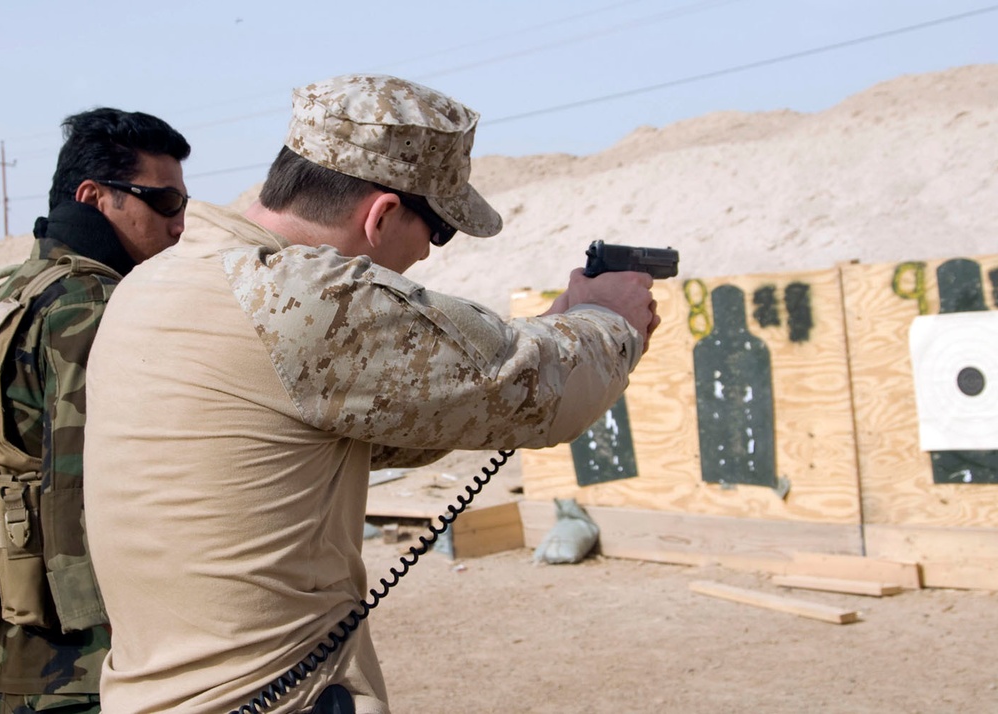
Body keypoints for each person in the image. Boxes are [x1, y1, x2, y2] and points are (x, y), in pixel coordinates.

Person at [82, 74, 660, 714]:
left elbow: (372, 419)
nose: (428, 257)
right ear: (382, 215)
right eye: (437, 232)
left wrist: (556, 328)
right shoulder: (302, 298)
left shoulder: (168, 280)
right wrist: (611, 320)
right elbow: (540, 392)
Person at [0, 108, 190, 714]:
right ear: (94, 198)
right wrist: (115, 641)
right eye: (163, 204)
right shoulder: (95, 305)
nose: (179, 226)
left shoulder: (12, 288)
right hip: (74, 659)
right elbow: (82, 484)